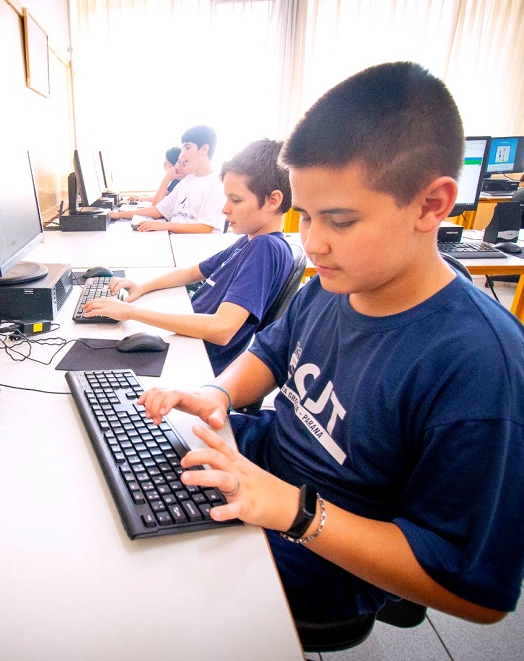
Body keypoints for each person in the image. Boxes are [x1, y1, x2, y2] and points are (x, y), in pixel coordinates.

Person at [139, 62, 524, 624]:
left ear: (432, 204)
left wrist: (294, 511)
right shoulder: (331, 285)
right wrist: (217, 394)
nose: (313, 243)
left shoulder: (479, 365)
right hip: (266, 469)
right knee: (129, 458)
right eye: (305, 216)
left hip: (325, 551)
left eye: (339, 221)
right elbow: (271, 351)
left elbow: (474, 593)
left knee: (137, 579)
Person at [84, 140, 294, 375]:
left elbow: (222, 329)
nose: (225, 209)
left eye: (235, 200)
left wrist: (132, 312)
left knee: (91, 356)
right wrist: (142, 287)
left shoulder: (266, 248)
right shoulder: (250, 240)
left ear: (273, 200)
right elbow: (193, 272)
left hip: (197, 358)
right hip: (189, 338)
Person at [110, 125, 227, 233]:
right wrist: (118, 215)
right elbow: (157, 211)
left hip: (194, 248)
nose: (182, 155)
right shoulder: (188, 181)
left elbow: (205, 228)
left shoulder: (216, 185)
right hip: (176, 241)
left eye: (187, 148)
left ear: (204, 149)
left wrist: (165, 226)